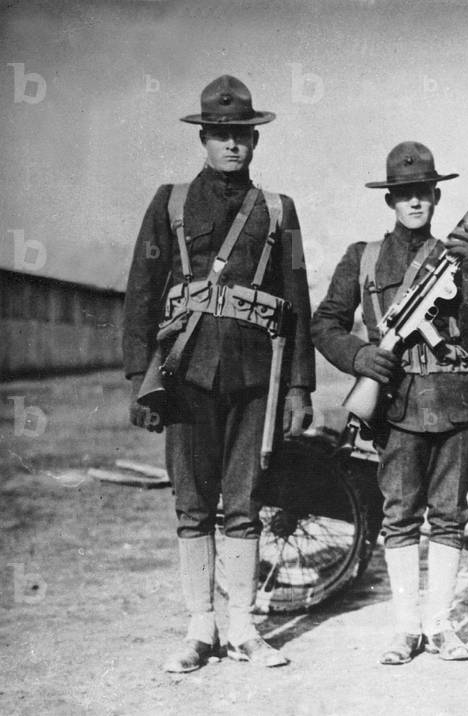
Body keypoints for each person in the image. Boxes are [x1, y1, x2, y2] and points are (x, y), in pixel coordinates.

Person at [123, 75, 315, 671]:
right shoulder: (171, 202)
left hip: (256, 376)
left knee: (245, 503)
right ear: (203, 138)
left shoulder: (279, 210)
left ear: (254, 142)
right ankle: (199, 629)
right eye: (221, 135)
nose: (232, 145)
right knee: (192, 504)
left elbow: (297, 299)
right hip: (184, 376)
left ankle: (242, 628)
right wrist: (140, 379)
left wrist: (300, 386)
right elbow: (142, 292)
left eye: (242, 136)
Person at [311, 142, 468, 665]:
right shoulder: (363, 257)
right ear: (390, 199)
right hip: (396, 402)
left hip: (456, 400)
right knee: (400, 516)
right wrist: (361, 357)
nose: (414, 203)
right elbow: (326, 323)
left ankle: (440, 627)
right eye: (404, 195)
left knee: (449, 516)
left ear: (436, 196)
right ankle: (405, 629)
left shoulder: (459, 257)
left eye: (422, 194)